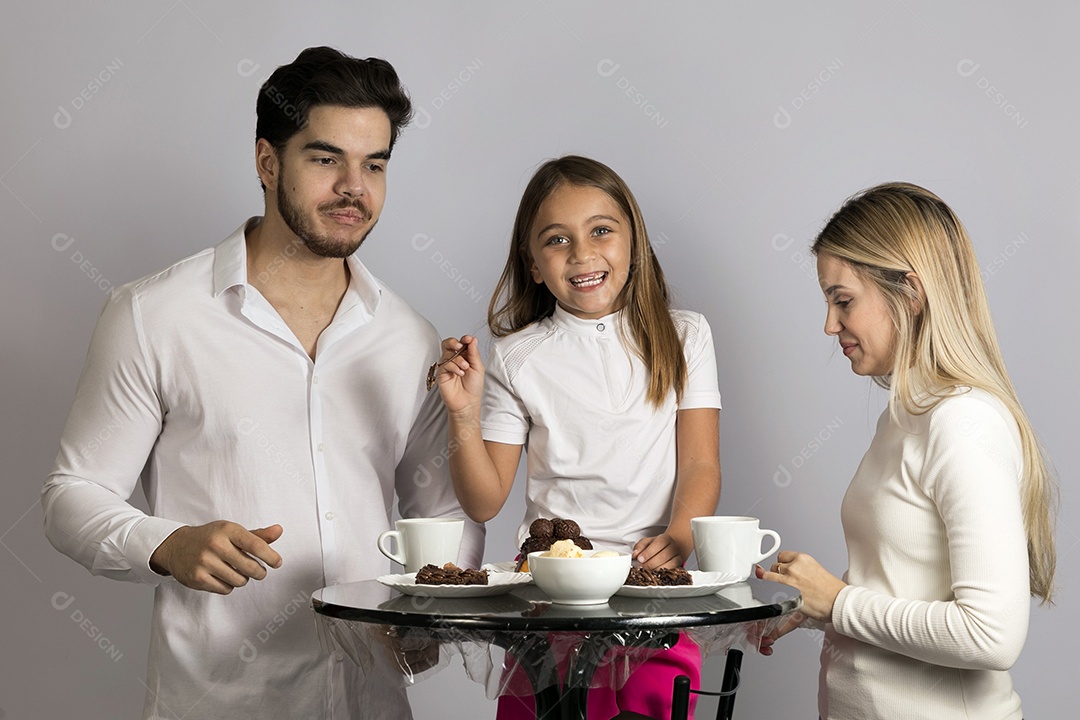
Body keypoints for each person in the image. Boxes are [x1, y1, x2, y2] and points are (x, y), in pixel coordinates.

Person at [41, 46, 483, 720]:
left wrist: (429, 615)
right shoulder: (154, 316)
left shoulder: (409, 337)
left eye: (374, 164)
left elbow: (444, 512)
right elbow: (72, 497)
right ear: (267, 162)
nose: (354, 188)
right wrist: (166, 544)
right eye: (326, 159)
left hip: (371, 702)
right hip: (219, 702)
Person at [433, 155, 723, 719]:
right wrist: (463, 415)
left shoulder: (685, 335)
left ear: (635, 242)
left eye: (601, 231)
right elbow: (483, 500)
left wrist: (680, 536)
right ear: (534, 264)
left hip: (648, 589)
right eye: (558, 240)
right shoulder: (516, 355)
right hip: (549, 597)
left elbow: (700, 465)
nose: (583, 254)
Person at [755, 182, 1057, 720]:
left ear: (911, 294)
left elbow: (991, 635)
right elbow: (904, 584)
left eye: (843, 300)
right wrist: (818, 604)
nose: (829, 325)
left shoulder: (963, 422)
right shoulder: (904, 416)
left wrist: (839, 602)